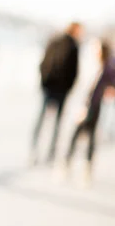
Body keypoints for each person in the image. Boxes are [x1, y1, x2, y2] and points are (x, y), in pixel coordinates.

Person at [62, 40, 115, 186]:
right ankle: (67, 163)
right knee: (75, 135)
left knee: (90, 137)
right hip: (82, 105)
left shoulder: (107, 68)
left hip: (94, 107)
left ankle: (87, 168)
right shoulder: (90, 65)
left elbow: (112, 86)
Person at [31, 22, 83, 165]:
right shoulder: (73, 46)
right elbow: (74, 72)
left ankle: (34, 150)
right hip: (60, 90)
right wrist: (68, 87)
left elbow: (44, 62)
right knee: (56, 123)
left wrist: (44, 81)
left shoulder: (55, 40)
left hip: (49, 87)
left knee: (41, 120)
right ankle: (50, 153)